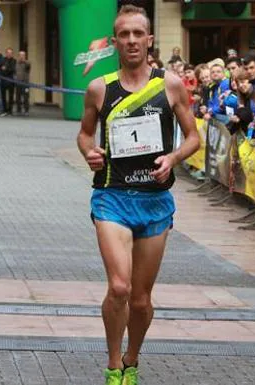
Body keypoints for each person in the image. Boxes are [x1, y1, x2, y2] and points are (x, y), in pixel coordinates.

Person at [76, 5, 199, 385]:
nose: (131, 41)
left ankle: (132, 358)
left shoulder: (170, 85)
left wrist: (173, 158)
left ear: (150, 39)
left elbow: (194, 136)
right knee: (119, 287)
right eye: (123, 34)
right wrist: (89, 152)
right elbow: (84, 134)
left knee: (142, 300)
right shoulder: (100, 87)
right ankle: (114, 365)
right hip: (112, 196)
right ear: (115, 41)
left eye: (137, 34)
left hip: (155, 201)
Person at [0, 48, 16, 116]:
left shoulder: (14, 61)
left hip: (11, 81)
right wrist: (3, 69)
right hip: (3, 81)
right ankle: (4, 110)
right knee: (3, 96)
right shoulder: (3, 60)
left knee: (11, 96)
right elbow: (0, 68)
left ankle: (10, 110)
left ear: (12, 54)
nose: (9, 54)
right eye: (8, 52)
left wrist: (5, 69)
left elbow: (12, 69)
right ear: (6, 53)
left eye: (10, 53)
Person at [15, 50, 31, 116]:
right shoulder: (16, 63)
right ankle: (19, 110)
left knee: (25, 97)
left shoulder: (28, 63)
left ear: (25, 56)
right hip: (18, 82)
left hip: (25, 83)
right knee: (18, 97)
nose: (21, 56)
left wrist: (24, 61)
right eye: (20, 55)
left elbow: (28, 67)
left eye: (23, 55)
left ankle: (26, 110)